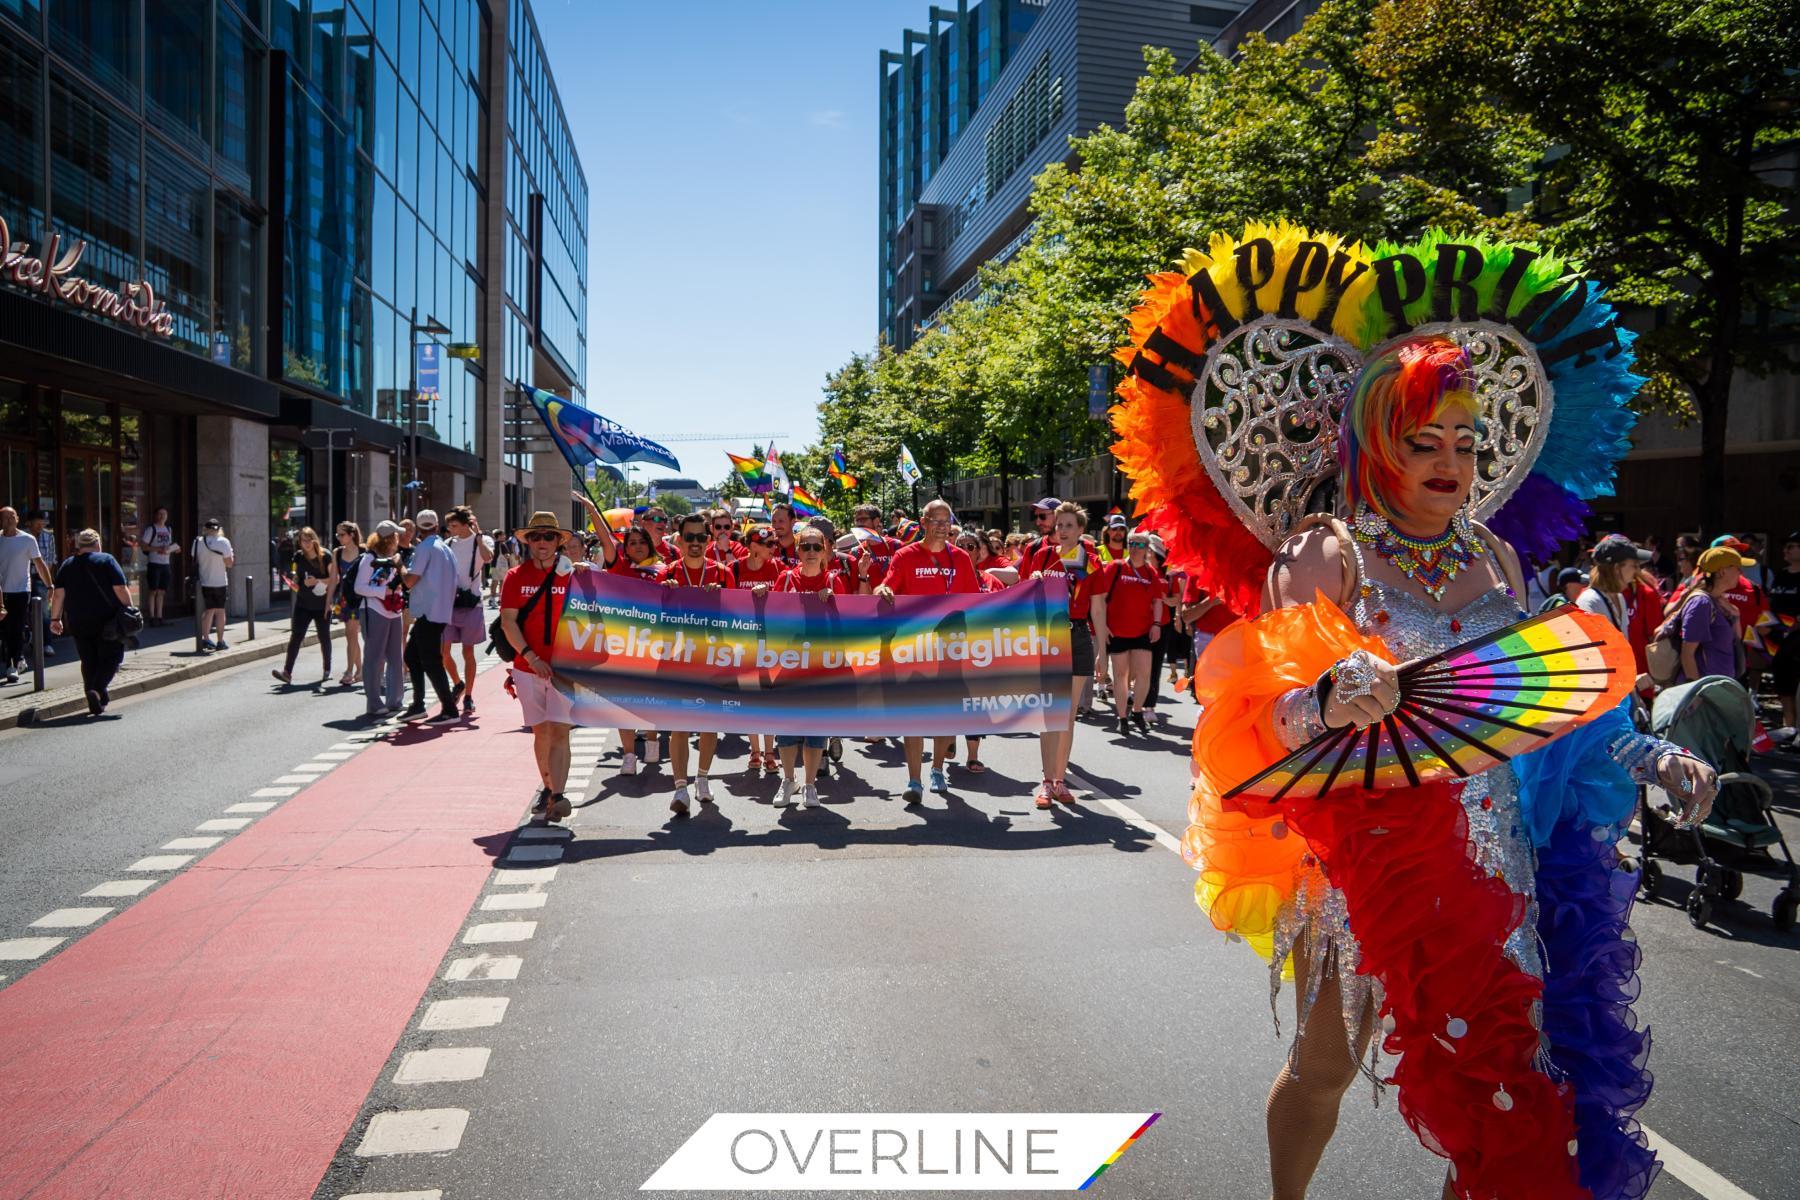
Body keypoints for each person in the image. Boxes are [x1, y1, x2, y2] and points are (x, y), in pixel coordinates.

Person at [1139, 330, 1717, 1200]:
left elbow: (1544, 706)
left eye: (1464, 442)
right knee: (1327, 1068)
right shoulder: (1325, 554)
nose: (1450, 461)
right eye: (1424, 441)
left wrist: (1654, 751)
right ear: (1378, 446)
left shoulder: (1495, 556)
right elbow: (1258, 718)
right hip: (1370, 863)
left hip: (1496, 856)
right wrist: (1330, 696)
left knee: (1498, 1087)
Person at [875, 498, 980, 804]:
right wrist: (883, 589)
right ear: (923, 523)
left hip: (950, 646)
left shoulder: (960, 558)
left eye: (946, 522)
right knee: (915, 713)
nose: (941, 527)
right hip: (915, 646)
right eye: (935, 521)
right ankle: (914, 778)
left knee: (946, 713)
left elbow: (973, 601)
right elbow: (889, 586)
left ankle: (937, 769)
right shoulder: (905, 556)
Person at [501, 512, 594, 823]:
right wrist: (531, 657)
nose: (542, 542)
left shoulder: (573, 574)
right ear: (528, 541)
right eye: (536, 537)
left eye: (548, 537)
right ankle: (548, 787)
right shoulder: (515, 577)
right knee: (540, 731)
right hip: (527, 667)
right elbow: (508, 622)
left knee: (560, 730)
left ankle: (558, 794)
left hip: (564, 668)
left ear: (559, 542)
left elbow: (595, 614)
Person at [1020, 501, 1098, 807]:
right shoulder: (1042, 556)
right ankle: (1046, 782)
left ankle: (1059, 780)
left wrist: (1101, 650)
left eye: (1069, 526)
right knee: (1049, 713)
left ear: (1080, 530)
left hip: (1078, 635)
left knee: (1068, 716)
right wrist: (1033, 583)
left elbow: (1098, 607)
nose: (1062, 531)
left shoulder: (1090, 562)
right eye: (1059, 525)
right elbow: (1024, 594)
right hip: (1048, 636)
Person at [764, 524, 846, 807]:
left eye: (816, 547)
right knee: (786, 730)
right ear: (797, 550)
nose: (811, 552)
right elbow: (772, 616)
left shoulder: (835, 582)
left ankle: (810, 785)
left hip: (821, 669)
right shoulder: (786, 579)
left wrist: (831, 605)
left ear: (826, 551)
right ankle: (788, 780)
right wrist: (763, 594)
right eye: (805, 546)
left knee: (815, 731)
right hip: (789, 666)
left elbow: (847, 625)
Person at [659, 513, 735, 816]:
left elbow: (737, 619)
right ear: (679, 540)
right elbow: (648, 617)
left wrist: (724, 599)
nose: (694, 543)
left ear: (709, 540)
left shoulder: (723, 573)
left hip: (712, 660)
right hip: (676, 661)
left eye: (699, 538)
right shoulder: (667, 574)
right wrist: (665, 594)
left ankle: (702, 777)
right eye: (688, 537)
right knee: (679, 726)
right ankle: (680, 787)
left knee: (708, 724)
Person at [48, 528, 131, 715]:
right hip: (107, 620)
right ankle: (98, 689)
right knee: (112, 657)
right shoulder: (107, 560)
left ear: (79, 546)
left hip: (78, 620)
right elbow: (120, 588)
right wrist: (130, 610)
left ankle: (94, 697)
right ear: (98, 544)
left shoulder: (67, 565)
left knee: (88, 659)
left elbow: (59, 595)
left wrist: (55, 618)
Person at [1091, 529, 1164, 736]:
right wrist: (1102, 625)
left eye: (1139, 544)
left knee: (1144, 674)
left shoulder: (1151, 572)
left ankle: (1138, 711)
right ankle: (1122, 717)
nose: (1134, 548)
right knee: (1120, 676)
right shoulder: (1116, 567)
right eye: (1131, 543)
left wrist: (1157, 624)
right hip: (1117, 632)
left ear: (1146, 548)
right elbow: (1101, 598)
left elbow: (1157, 600)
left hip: (1142, 631)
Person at [401, 509, 460, 724]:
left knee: (430, 661)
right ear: (436, 525)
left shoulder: (425, 548)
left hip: (428, 611)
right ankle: (419, 704)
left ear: (418, 527)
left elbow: (410, 580)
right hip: (440, 610)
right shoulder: (445, 547)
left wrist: (399, 565)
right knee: (412, 656)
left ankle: (449, 709)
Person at [440, 506, 495, 716]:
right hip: (450, 603)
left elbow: (488, 558)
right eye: (449, 525)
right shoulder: (448, 543)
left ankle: (469, 696)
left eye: (454, 525)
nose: (451, 529)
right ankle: (458, 683)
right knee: (444, 652)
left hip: (472, 604)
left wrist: (479, 535)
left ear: (466, 524)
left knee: (468, 651)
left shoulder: (481, 541)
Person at [1677, 545, 1753, 683]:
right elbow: (1687, 654)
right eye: (1737, 568)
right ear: (1722, 572)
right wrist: (1696, 695)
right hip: (1704, 694)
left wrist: (1735, 615)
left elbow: (1736, 640)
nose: (1741, 572)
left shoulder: (1719, 602)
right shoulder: (1702, 604)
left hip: (1718, 689)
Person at [354, 522, 408, 717]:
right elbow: (359, 587)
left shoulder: (391, 558)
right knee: (374, 659)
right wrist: (382, 591)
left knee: (395, 657)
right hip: (374, 611)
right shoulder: (370, 558)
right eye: (396, 536)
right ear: (389, 538)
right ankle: (374, 704)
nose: (399, 539)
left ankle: (395, 701)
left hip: (392, 611)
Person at [272, 526, 335, 684]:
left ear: (314, 540)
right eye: (302, 540)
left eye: (308, 540)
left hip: (321, 604)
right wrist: (294, 581)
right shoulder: (298, 556)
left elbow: (335, 579)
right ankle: (287, 672)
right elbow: (295, 575)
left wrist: (318, 581)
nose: (305, 544)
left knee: (324, 636)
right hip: (303, 603)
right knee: (296, 637)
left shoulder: (325, 556)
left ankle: (327, 668)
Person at [0, 506, 51, 683]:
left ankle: (12, 664)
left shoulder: (27, 540)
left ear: (17, 519)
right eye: (4, 517)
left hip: (21, 590)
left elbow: (39, 563)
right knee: (5, 630)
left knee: (15, 627)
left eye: (11, 517)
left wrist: (49, 585)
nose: (8, 520)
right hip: (1, 591)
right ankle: (18, 657)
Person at [1766, 531, 1800, 741]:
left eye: (1792, 546)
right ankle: (1790, 728)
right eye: (1785, 547)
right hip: (1779, 639)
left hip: (1799, 638)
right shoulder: (1781, 575)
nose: (1786, 551)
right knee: (1784, 683)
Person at [191, 518, 235, 650]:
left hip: (205, 582)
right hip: (220, 581)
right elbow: (229, 563)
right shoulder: (223, 542)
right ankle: (220, 641)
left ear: (205, 529)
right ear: (218, 529)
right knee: (220, 612)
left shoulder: (197, 542)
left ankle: (205, 639)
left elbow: (194, 558)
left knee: (209, 611)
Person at [331, 522, 365, 687]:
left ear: (351, 535)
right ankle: (360, 670)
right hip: (345, 599)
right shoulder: (337, 553)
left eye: (341, 534)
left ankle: (349, 671)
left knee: (351, 633)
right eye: (337, 535)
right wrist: (328, 602)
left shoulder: (364, 552)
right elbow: (333, 580)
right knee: (351, 635)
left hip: (360, 598)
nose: (338, 538)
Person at [136, 506, 179, 626]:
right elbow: (143, 546)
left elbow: (168, 545)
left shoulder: (168, 529)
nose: (162, 516)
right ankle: (152, 617)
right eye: (160, 514)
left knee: (161, 591)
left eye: (164, 514)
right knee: (153, 591)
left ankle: (159, 617)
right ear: (155, 515)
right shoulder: (151, 529)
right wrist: (157, 549)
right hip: (154, 563)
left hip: (166, 563)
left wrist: (174, 549)